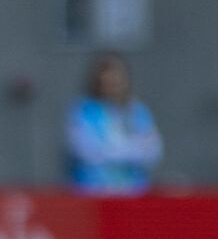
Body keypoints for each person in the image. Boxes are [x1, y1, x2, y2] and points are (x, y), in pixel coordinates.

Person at [64, 53, 161, 195]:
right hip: (93, 193)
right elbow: (85, 152)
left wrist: (111, 149)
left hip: (132, 192)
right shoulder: (83, 110)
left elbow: (152, 151)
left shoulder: (137, 110)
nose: (112, 87)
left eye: (115, 82)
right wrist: (131, 148)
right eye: (106, 83)